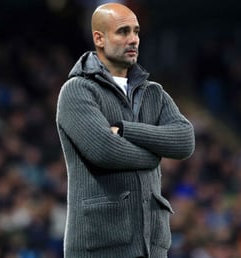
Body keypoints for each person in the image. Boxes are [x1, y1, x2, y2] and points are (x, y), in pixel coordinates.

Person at [55, 2, 195, 258]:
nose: (133, 39)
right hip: (99, 247)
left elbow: (184, 141)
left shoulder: (153, 92)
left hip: (151, 246)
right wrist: (154, 155)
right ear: (99, 37)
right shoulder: (77, 90)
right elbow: (104, 150)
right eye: (123, 31)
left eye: (137, 31)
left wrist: (126, 130)